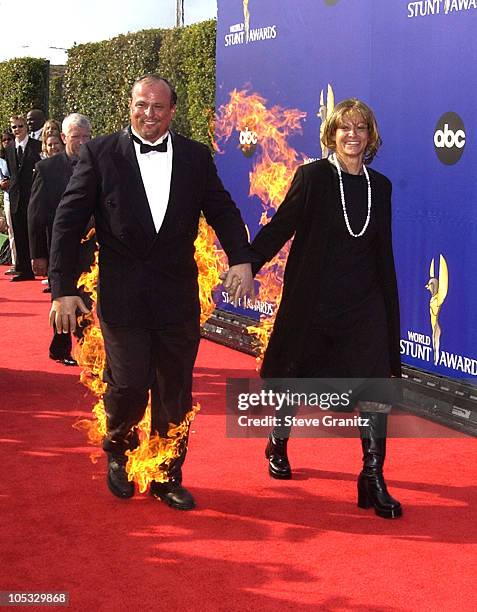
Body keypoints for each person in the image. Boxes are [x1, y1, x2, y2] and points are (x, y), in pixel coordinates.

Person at [48, 74, 254, 510]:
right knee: (127, 384)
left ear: (172, 111)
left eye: (159, 107)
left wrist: (241, 258)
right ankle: (119, 448)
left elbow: (222, 209)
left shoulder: (196, 157)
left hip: (177, 298)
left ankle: (165, 472)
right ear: (130, 106)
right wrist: (62, 288)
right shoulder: (100, 154)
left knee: (174, 390)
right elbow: (67, 223)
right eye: (142, 105)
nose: (149, 115)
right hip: (123, 297)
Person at [251, 98, 402, 519]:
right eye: (344, 128)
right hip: (316, 301)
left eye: (360, 128)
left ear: (370, 136)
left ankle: (372, 477)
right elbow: (281, 226)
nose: (352, 135)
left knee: (374, 386)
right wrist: (246, 263)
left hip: (366, 302)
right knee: (298, 376)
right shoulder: (314, 177)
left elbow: (382, 252)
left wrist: (389, 311)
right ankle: (278, 440)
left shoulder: (381, 187)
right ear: (331, 135)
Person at [29, 113, 94, 366]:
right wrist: (38, 254)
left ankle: (88, 348)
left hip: (90, 248)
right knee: (62, 297)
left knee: (86, 298)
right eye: (76, 137)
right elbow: (35, 215)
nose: (81, 142)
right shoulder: (47, 169)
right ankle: (60, 346)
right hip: (60, 248)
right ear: (64, 137)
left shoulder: (98, 165)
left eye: (86, 137)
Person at [5, 115, 42, 281]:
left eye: (20, 126)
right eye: (14, 128)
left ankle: (39, 267)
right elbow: (12, 173)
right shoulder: (9, 148)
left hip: (33, 196)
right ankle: (23, 269)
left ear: (26, 127)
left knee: (33, 232)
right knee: (18, 233)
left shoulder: (37, 146)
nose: (17, 130)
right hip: (15, 197)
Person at [0, 131, 16, 273]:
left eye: (8, 139)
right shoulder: (1, 160)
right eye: (4, 140)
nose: (6, 142)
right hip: (8, 197)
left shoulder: (20, 154)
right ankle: (16, 262)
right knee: (11, 230)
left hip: (23, 197)